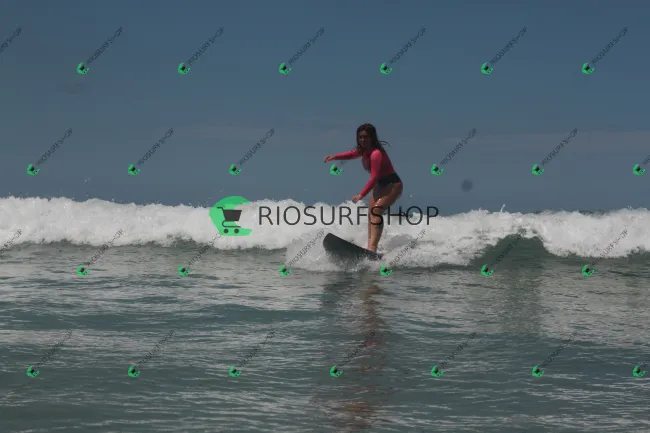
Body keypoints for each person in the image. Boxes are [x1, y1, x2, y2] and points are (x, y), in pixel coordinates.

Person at [324, 123, 403, 252]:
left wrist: (361, 194)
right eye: (360, 137)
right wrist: (335, 156)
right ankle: (370, 247)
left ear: (372, 137)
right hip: (380, 185)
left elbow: (374, 177)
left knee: (376, 211)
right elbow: (351, 154)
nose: (362, 140)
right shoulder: (363, 151)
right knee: (371, 214)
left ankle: (372, 248)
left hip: (393, 185)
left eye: (365, 137)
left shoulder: (376, 154)